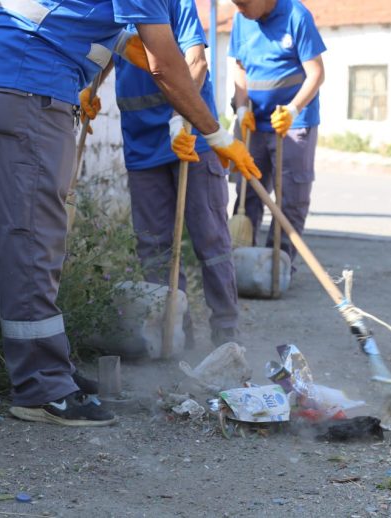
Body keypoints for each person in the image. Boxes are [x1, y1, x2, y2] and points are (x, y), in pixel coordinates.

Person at [0, 0, 261, 427]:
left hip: (14, 70)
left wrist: (94, 84)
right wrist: (213, 132)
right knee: (32, 235)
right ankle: (42, 388)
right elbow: (162, 62)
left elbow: (123, 37)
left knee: (23, 230)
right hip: (29, 77)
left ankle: (47, 370)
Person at [113, 0, 240, 348]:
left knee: (210, 238)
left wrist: (180, 117)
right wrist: (89, 90)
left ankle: (226, 332)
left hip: (189, 137)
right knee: (153, 247)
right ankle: (173, 334)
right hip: (141, 144)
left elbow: (196, 61)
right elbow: (101, 47)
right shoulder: (107, 5)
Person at [229, 0, 326, 267]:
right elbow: (240, 66)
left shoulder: (297, 16)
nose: (240, 10)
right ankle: (244, 264)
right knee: (248, 194)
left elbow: (316, 73)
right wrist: (240, 107)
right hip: (254, 121)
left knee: (290, 199)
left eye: (244, 4)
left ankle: (277, 266)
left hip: (292, 123)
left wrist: (293, 111)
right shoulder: (242, 19)